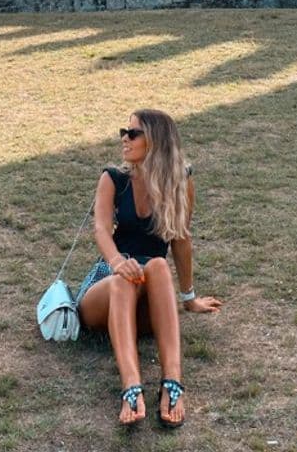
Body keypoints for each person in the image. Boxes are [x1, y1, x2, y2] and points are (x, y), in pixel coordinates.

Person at [76, 108, 222, 427]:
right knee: (124, 279)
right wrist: (117, 262)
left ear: (155, 141)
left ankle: (172, 383)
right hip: (106, 290)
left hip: (146, 302)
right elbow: (101, 229)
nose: (124, 139)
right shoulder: (113, 178)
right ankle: (131, 387)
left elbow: (181, 240)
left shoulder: (180, 180)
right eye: (123, 132)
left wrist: (189, 298)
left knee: (156, 265)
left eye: (133, 133)